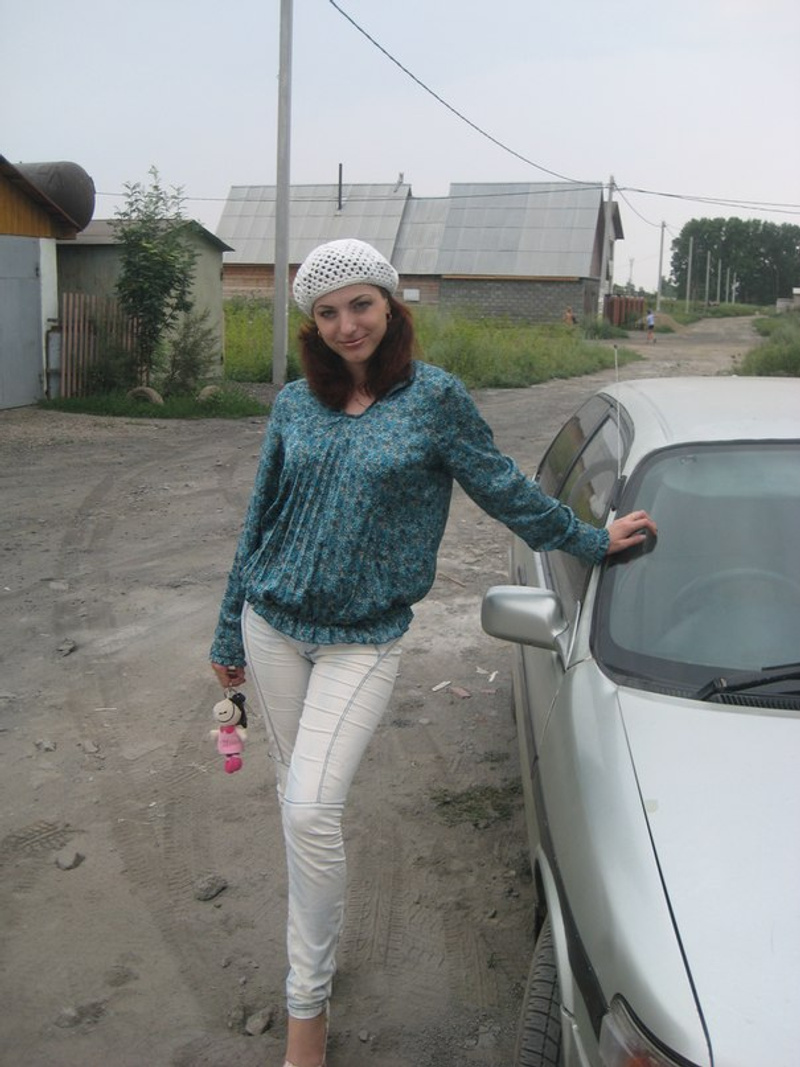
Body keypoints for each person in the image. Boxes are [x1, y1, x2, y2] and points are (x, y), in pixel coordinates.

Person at [209, 238, 657, 1067]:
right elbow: (259, 515)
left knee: (309, 808)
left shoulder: (434, 399)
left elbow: (503, 487)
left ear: (391, 303)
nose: (347, 324)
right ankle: (318, 949)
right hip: (273, 627)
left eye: (361, 304)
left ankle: (306, 1012)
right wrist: (228, 628)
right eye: (328, 313)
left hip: (363, 639)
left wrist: (590, 539)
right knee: (298, 802)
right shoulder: (294, 404)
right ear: (312, 325)